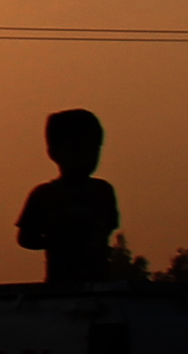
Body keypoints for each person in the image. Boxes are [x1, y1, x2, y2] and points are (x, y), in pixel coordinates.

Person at [15, 110, 121, 287]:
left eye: (93, 148)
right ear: (54, 152)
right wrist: (57, 242)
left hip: (99, 285)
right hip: (59, 287)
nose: (86, 156)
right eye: (77, 148)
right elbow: (25, 237)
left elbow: (108, 227)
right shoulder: (44, 195)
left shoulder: (103, 192)